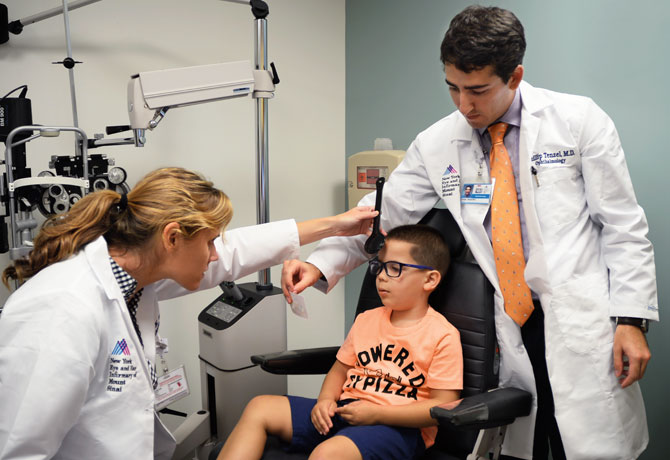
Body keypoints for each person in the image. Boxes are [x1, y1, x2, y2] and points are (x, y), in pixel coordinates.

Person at [281, 6, 658, 460]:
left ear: (515, 76)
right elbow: (381, 216)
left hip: (581, 315)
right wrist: (318, 262)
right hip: (508, 317)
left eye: (477, 90)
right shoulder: (439, 142)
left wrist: (632, 321)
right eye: (453, 88)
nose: (464, 105)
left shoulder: (578, 121)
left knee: (588, 442)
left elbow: (623, 225)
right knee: (529, 442)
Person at [0, 167, 380, 460]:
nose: (216, 254)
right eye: (211, 241)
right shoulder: (63, 308)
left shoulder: (138, 279)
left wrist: (336, 224)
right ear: (171, 238)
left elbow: (238, 252)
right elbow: (20, 448)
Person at [218, 224, 462, 460]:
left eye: (395, 268)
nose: (381, 277)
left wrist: (378, 414)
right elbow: (340, 371)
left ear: (430, 280)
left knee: (328, 454)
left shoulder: (442, 335)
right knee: (260, 407)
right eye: (380, 266)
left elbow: (444, 405)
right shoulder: (367, 320)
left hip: (396, 427)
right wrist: (325, 400)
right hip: (345, 410)